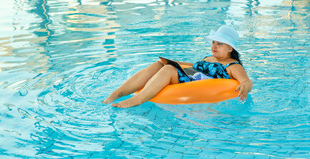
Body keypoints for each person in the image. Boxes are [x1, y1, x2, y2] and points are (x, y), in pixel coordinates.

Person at [102, 25, 253, 108]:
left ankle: (138, 99)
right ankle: (116, 94)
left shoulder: (233, 66)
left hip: (200, 85)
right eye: (213, 42)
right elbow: (195, 68)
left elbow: (246, 82)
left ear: (230, 49)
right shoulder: (209, 58)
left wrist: (245, 87)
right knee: (160, 64)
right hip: (194, 77)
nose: (214, 46)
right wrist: (173, 62)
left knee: (169, 69)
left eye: (219, 44)